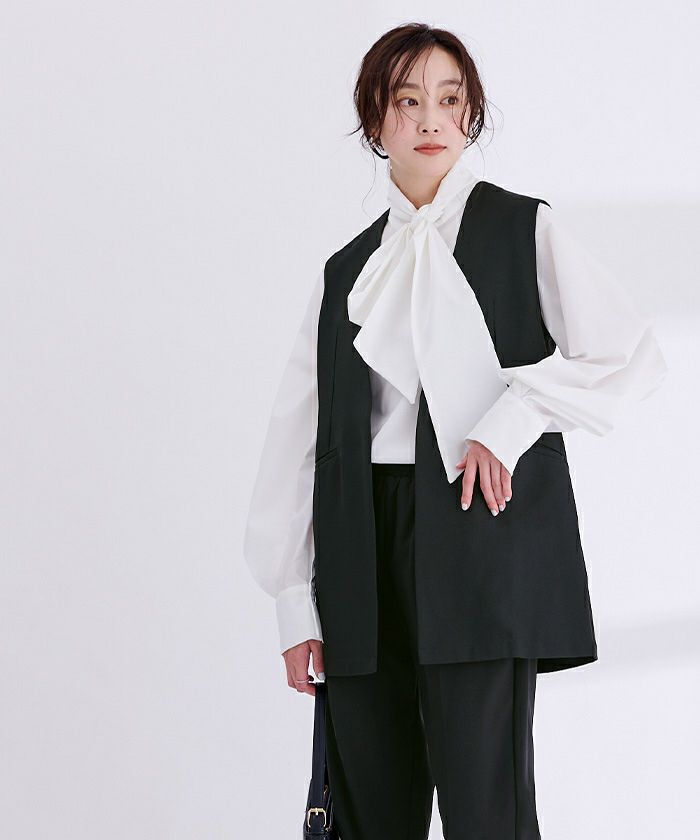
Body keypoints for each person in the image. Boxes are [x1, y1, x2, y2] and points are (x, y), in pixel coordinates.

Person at [243, 22, 667, 840]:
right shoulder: (346, 270)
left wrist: (512, 418)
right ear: (376, 120)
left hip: (481, 535)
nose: (430, 120)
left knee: (488, 816)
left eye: (449, 99)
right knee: (367, 817)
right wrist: (294, 601)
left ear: (470, 114)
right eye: (407, 102)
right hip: (361, 549)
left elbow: (628, 353)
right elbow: (298, 439)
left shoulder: (523, 228)